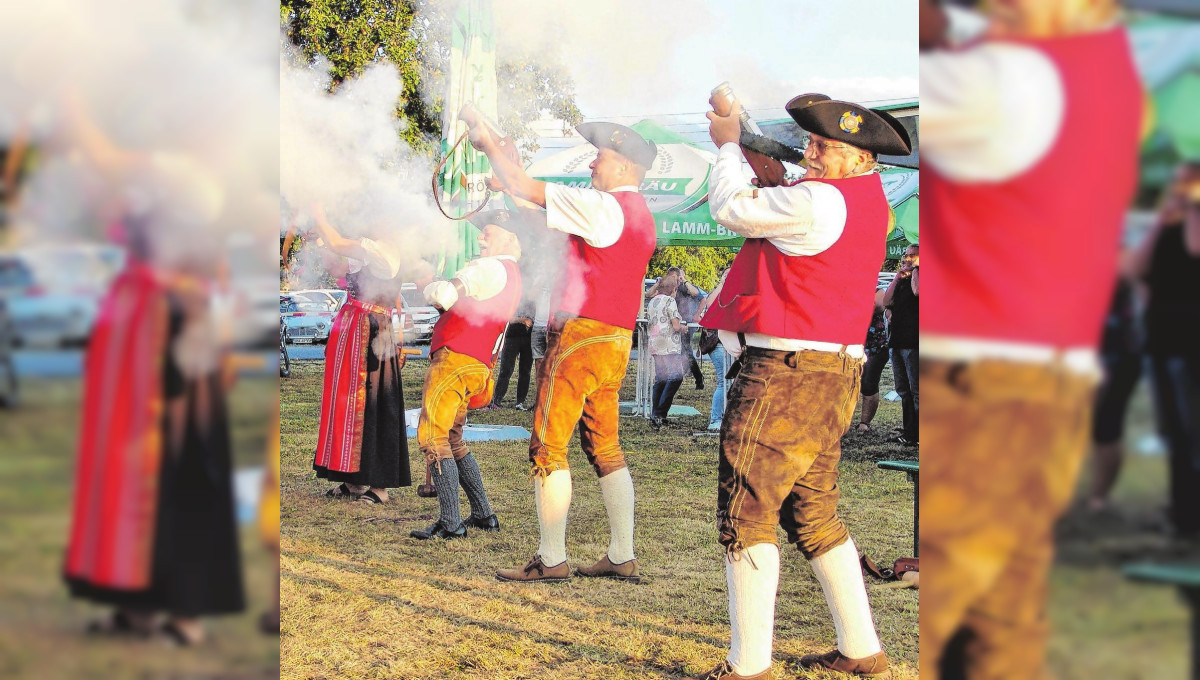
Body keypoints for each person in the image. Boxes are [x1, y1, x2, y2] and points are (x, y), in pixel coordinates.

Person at [919, 1, 1142, 677]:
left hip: (983, 372)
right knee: (1002, 621)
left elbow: (888, 126)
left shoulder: (1005, 74)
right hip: (1042, 369)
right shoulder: (1104, 70)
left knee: (944, 612)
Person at [688, 93, 912, 680]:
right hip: (829, 371)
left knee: (747, 514)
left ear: (862, 159)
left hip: (787, 371)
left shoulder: (817, 200)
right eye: (812, 143)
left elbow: (732, 207)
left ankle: (748, 666)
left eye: (825, 148)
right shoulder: (863, 202)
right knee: (814, 516)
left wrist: (730, 145)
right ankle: (861, 650)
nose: (811, 154)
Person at [61, 95, 244, 645]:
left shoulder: (188, 175)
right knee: (128, 465)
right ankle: (136, 605)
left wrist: (68, 93)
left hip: (174, 332)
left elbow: (105, 158)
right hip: (143, 330)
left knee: (179, 465)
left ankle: (185, 613)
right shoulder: (163, 177)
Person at [463, 112, 657, 584]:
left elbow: (528, 188)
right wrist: (507, 174)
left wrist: (491, 145)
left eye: (602, 157)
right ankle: (622, 553)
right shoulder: (637, 215)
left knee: (549, 446)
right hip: (615, 337)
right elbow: (537, 213)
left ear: (625, 168)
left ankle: (551, 558)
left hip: (581, 335)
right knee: (606, 447)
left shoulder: (603, 207)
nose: (594, 164)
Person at [410, 209, 525, 540]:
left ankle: (450, 522)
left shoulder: (489, 267)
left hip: (455, 360)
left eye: (487, 231)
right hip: (477, 363)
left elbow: (444, 296)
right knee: (454, 439)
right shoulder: (511, 272)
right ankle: (483, 514)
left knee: (434, 436)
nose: (480, 237)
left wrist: (428, 280)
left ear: (510, 237)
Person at [309, 206, 410, 506]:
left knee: (375, 403)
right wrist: (317, 239)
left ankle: (379, 485)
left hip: (372, 331)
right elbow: (338, 268)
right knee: (347, 402)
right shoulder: (367, 251)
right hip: (354, 329)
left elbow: (339, 244)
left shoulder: (382, 251)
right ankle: (352, 478)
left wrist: (319, 216)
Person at [1129, 162, 1200, 538]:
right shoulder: (1167, 225)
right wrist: (1160, 223)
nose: (1180, 187)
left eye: (1188, 180)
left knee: (1194, 435)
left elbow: (1195, 249)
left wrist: (1190, 211)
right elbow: (1137, 269)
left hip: (1191, 345)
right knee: (1173, 432)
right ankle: (1182, 515)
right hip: (1160, 340)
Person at [1083, 276, 1143, 514]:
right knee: (1099, 425)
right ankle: (1096, 496)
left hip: (1114, 349)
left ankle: (1099, 497)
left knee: (1106, 425)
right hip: (1100, 346)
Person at [881, 245, 918, 446]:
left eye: (913, 255)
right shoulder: (903, 279)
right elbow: (886, 301)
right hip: (897, 341)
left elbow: (918, 291)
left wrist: (917, 270)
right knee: (903, 389)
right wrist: (897, 276)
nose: (907, 258)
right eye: (906, 255)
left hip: (915, 342)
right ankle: (909, 432)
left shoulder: (920, 278)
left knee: (917, 391)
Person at [647, 266, 706, 389]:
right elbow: (649, 294)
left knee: (687, 351)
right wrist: (659, 283)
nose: (673, 280)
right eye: (671, 277)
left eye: (675, 277)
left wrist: (683, 280)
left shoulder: (684, 286)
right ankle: (675, 376)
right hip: (670, 324)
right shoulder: (665, 287)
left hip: (683, 322)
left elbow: (699, 295)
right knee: (675, 352)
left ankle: (698, 378)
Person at [647, 270, 687, 427]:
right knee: (676, 377)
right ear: (673, 289)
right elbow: (676, 326)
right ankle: (660, 412)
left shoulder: (652, 302)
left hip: (655, 344)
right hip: (669, 345)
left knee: (661, 379)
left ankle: (655, 414)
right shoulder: (670, 302)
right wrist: (684, 328)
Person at [696, 266, 732, 432]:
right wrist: (723, 283)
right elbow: (709, 305)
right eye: (726, 273)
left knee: (730, 382)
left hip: (729, 343)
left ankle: (725, 417)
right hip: (716, 343)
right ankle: (715, 419)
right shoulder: (718, 292)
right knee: (723, 381)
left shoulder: (735, 292)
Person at [490, 285, 535, 411]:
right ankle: (496, 401)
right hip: (512, 338)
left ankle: (520, 402)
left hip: (528, 339)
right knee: (506, 370)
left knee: (525, 372)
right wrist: (521, 320)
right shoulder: (514, 299)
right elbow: (505, 317)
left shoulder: (536, 302)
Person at [854, 291, 890, 434]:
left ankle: (864, 423)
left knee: (869, 384)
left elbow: (878, 306)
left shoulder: (878, 290)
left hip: (875, 347)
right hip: (852, 346)